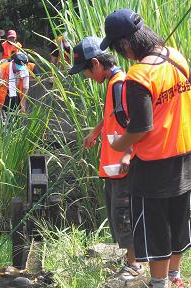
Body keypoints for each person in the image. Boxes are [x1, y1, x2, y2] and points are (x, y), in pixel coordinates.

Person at [101, 9, 191, 288]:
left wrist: (119, 144)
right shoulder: (177, 57)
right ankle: (175, 277)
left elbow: (141, 127)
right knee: (179, 219)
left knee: (154, 226)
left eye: (117, 47)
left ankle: (158, 282)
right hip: (185, 156)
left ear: (126, 44)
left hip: (154, 164)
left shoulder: (138, 75)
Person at [69, 36, 141, 281]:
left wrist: (129, 155)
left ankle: (134, 264)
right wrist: (96, 131)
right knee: (117, 212)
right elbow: (115, 113)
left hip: (122, 165)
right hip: (113, 165)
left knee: (124, 214)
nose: (86, 76)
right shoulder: (113, 84)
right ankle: (131, 259)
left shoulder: (120, 84)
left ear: (97, 63)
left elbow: (137, 123)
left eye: (86, 71)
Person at [0, 52, 29, 123]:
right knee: (3, 120)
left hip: (17, 95)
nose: (19, 70)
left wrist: (23, 104)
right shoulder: (2, 68)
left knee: (15, 119)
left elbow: (25, 88)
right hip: (4, 96)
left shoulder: (24, 71)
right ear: (13, 62)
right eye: (18, 67)